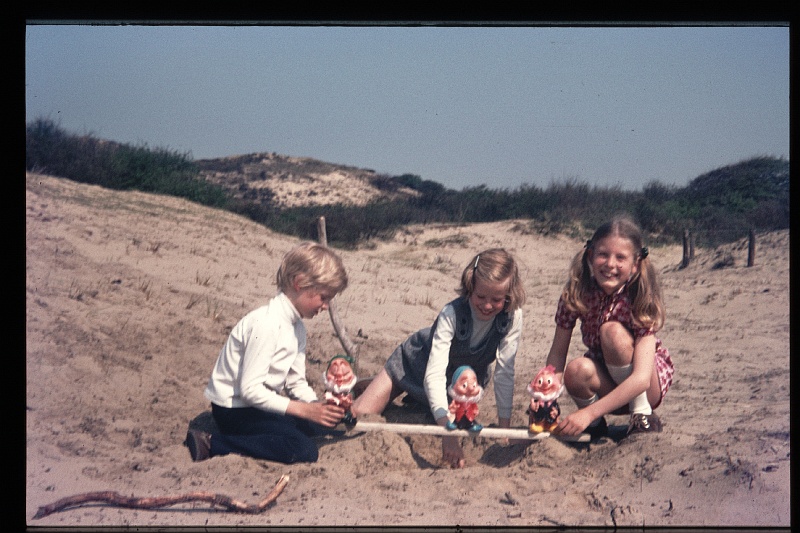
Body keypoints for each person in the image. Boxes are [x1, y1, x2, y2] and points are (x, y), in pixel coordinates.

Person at [351, 248, 526, 468]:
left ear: (509, 295)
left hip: (459, 384)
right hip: (415, 366)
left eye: (497, 299)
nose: (488, 305)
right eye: (481, 296)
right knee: (359, 415)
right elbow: (432, 376)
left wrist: (505, 428)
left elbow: (504, 372)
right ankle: (376, 386)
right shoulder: (451, 313)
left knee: (453, 413)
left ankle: (401, 395)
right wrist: (448, 434)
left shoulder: (512, 317)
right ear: (470, 286)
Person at [185, 241, 349, 464]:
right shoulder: (266, 323)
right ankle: (212, 444)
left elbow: (295, 383)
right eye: (323, 297)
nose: (326, 306)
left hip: (257, 406)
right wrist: (303, 410)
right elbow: (250, 390)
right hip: (233, 410)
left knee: (316, 424)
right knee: (304, 449)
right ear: (299, 283)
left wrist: (319, 407)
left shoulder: (297, 328)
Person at [544, 216, 673, 440]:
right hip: (607, 383)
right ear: (590, 256)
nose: (610, 264)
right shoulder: (577, 292)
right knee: (576, 369)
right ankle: (595, 426)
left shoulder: (640, 296)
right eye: (603, 254)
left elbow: (642, 378)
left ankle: (641, 415)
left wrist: (585, 412)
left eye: (620, 257)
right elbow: (557, 354)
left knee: (611, 332)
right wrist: (546, 397)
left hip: (646, 387)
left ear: (635, 264)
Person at [445, 365, 484, 432]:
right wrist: (453, 409)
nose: (470, 389)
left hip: (469, 416)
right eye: (464, 385)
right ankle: (454, 424)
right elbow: (452, 408)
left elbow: (474, 407)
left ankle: (471, 426)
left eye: (474, 385)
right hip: (458, 415)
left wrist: (475, 411)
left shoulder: (471, 402)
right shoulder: (457, 401)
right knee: (457, 421)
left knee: (469, 422)